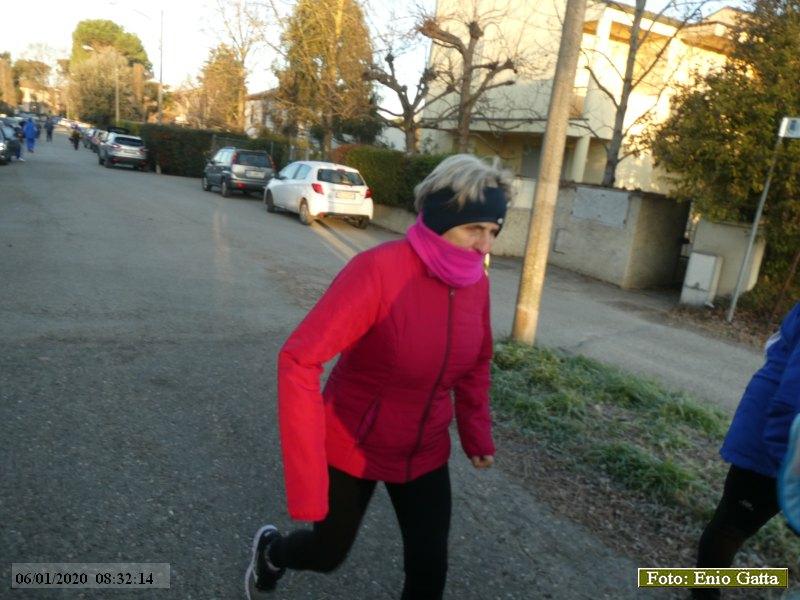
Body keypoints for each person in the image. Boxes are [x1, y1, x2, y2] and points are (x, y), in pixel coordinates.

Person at [245, 154, 510, 600]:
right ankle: (272, 552)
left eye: (493, 232)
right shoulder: (378, 270)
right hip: (354, 443)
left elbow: (476, 361)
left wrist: (477, 434)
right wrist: (307, 480)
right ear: (440, 219)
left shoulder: (474, 283)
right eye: (473, 229)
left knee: (429, 572)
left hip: (424, 448)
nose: (485, 245)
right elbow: (299, 361)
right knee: (327, 554)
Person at [693, 301, 800, 599]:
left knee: (732, 525)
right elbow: (791, 400)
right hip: (775, 437)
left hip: (781, 436)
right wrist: (788, 465)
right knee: (731, 526)